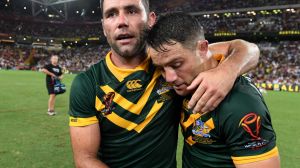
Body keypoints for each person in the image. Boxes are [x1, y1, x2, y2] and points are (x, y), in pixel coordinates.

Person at [69, 0, 260, 167]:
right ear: (103, 26)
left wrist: (226, 72)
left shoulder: (174, 61)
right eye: (111, 14)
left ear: (151, 19)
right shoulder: (88, 84)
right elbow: (85, 159)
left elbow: (247, 49)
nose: (121, 22)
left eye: (132, 11)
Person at [147, 12, 280, 168]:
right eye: (161, 68)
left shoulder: (240, 105)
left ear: (203, 49)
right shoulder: (185, 80)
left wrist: (227, 70)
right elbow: (239, 47)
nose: (169, 78)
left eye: (176, 64)